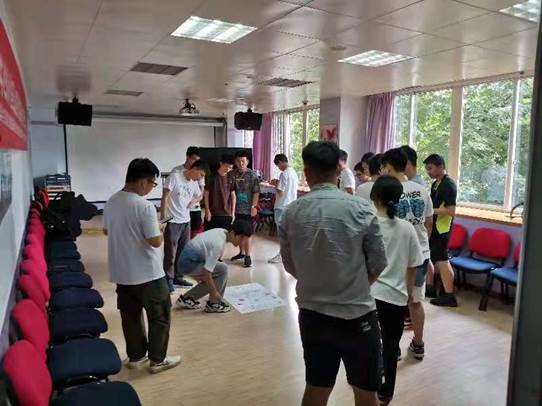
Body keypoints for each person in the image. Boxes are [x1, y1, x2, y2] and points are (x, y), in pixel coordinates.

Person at [279, 141, 387, 406]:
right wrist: (355, 285)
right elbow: (378, 263)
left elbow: (290, 265)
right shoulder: (361, 208)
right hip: (357, 315)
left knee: (316, 387)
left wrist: (316, 278)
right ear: (339, 170)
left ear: (306, 173)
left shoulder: (291, 212)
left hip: (312, 316)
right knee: (366, 393)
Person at [103, 158, 181, 374]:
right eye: (152, 184)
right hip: (147, 273)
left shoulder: (111, 201)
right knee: (159, 316)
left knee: (130, 316)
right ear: (142, 182)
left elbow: (107, 231)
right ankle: (158, 360)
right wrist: (160, 230)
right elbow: (155, 241)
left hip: (121, 271)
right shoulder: (144, 206)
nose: (151, 188)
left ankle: (136, 356)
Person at [370, 175, 424, 405]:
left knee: (370, 344)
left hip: (369, 296)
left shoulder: (368, 224)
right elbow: (413, 265)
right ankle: (386, 393)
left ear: (374, 197)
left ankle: (368, 385)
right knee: (391, 346)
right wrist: (409, 292)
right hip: (396, 297)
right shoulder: (407, 228)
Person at [380, 148, 433, 361]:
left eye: (383, 168)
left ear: (389, 167)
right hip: (420, 253)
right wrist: (421, 245)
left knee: (392, 304)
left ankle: (393, 348)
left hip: (395, 255)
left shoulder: (387, 191)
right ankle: (418, 345)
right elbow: (429, 223)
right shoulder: (422, 190)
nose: (382, 172)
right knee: (416, 302)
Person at [175, 221, 251, 313]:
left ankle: (187, 298)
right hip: (187, 264)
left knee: (220, 271)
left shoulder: (222, 232)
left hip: (189, 260)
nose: (242, 243)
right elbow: (207, 272)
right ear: (235, 233)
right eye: (242, 239)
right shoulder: (218, 244)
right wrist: (214, 292)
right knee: (222, 271)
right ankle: (214, 303)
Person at [161, 160, 208, 291]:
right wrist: (163, 221)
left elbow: (200, 196)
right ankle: (168, 280)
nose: (200, 178)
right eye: (201, 174)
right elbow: (164, 197)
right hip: (172, 221)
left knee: (182, 253)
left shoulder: (193, 183)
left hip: (186, 221)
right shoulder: (174, 177)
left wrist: (194, 201)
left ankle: (178, 277)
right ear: (195, 168)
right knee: (170, 253)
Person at [424, 154, 459, 307]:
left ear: (440, 167)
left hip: (442, 228)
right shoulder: (436, 184)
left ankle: (450, 295)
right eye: (427, 169)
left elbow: (451, 211)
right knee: (434, 258)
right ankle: (432, 288)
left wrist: (430, 210)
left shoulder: (449, 185)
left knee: (443, 260)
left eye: (430, 168)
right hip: (434, 226)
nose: (428, 172)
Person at [231, 150, 260, 268]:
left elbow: (256, 192)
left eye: (243, 161)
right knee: (238, 233)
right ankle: (241, 253)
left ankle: (247, 257)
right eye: (238, 161)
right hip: (235, 209)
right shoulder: (232, 174)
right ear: (235, 162)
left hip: (248, 209)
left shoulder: (252, 175)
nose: (241, 163)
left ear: (247, 161)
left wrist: (254, 206)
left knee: (247, 233)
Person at [268, 154, 299, 264]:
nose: (278, 168)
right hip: (291, 205)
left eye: (278, 165)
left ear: (281, 162)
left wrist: (274, 184)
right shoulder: (294, 172)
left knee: (282, 233)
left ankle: (281, 255)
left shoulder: (284, 174)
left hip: (281, 206)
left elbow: (280, 192)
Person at [172, 146, 204, 234]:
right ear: (187, 157)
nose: (195, 163)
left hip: (194, 208)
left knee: (194, 235)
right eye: (193, 159)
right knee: (179, 236)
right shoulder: (176, 171)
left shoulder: (199, 172)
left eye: (197, 161)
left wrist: (193, 201)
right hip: (179, 210)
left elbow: (201, 194)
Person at [204, 154, 236, 231]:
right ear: (221, 163)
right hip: (213, 212)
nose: (228, 169)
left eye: (230, 167)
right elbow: (206, 194)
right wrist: (207, 210)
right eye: (226, 166)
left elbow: (233, 195)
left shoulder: (231, 177)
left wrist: (233, 212)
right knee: (210, 234)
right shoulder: (211, 176)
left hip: (226, 213)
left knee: (224, 235)